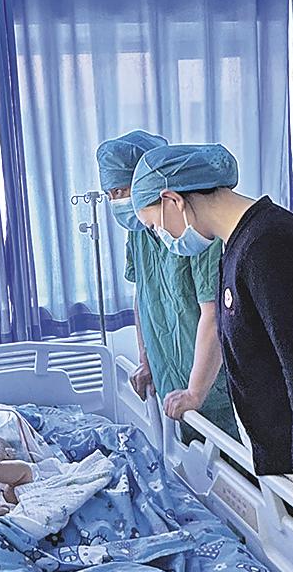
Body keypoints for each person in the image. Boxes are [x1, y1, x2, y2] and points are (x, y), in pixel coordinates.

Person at [131, 143, 293, 572]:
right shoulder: (238, 244)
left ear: (173, 200)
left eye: (155, 226)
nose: (163, 239)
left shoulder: (270, 247)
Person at [95, 129, 237, 437]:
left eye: (120, 190)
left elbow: (214, 314)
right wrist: (146, 359)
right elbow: (143, 296)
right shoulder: (138, 232)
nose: (116, 202)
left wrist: (196, 390)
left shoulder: (195, 233)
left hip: (209, 379)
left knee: (224, 458)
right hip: (167, 369)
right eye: (109, 194)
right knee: (186, 456)